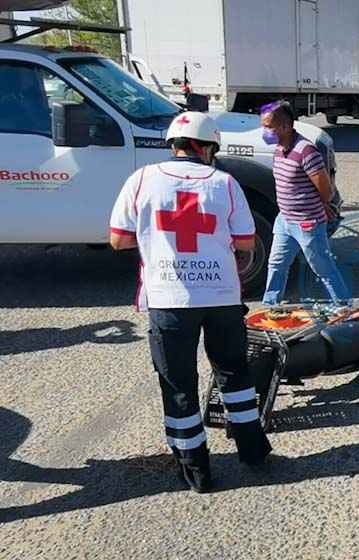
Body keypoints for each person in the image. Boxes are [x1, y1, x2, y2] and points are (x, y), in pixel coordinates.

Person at [108, 112, 272, 493]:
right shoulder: (225, 183)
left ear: (175, 145)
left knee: (178, 383)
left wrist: (156, 241)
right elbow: (246, 243)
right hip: (222, 297)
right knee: (234, 374)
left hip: (169, 299)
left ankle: (196, 469)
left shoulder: (141, 180)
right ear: (207, 147)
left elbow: (118, 240)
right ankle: (252, 450)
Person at [260, 101, 352, 306]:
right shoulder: (279, 148)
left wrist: (323, 206)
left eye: (268, 126)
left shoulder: (306, 151)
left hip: (306, 223)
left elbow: (326, 190)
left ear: (285, 126)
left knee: (323, 268)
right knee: (276, 264)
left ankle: (344, 307)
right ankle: (270, 306)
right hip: (284, 220)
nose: (264, 131)